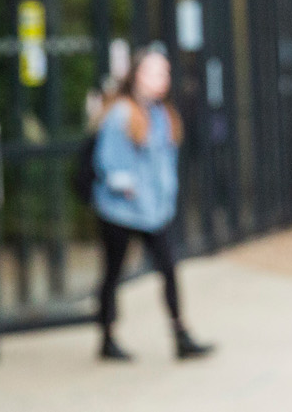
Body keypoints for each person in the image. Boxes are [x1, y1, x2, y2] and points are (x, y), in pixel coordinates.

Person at [91, 45, 213, 362]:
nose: (164, 78)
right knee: (113, 274)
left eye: (166, 72)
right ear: (137, 76)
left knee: (169, 269)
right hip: (120, 212)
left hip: (155, 211)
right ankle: (107, 336)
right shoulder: (120, 113)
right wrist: (129, 187)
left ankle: (180, 334)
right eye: (156, 72)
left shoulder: (162, 114)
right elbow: (110, 163)